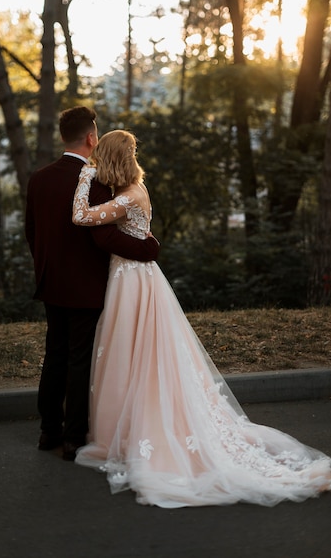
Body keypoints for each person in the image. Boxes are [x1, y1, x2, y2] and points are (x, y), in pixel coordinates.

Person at [72, 128, 331, 507]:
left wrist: (83, 177)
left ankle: (135, 432)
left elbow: (80, 217)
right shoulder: (135, 192)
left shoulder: (126, 198)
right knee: (140, 353)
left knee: (133, 352)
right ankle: (130, 428)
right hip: (139, 277)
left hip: (132, 281)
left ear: (107, 159)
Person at [25, 108, 160, 461]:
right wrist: (147, 247)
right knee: (80, 359)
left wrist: (46, 268)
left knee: (54, 355)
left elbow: (32, 232)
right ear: (90, 138)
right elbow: (104, 238)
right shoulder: (98, 180)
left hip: (51, 282)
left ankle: (47, 430)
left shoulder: (39, 178)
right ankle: (73, 439)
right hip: (88, 283)